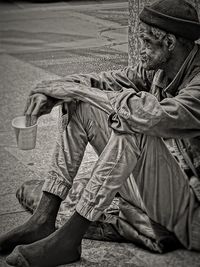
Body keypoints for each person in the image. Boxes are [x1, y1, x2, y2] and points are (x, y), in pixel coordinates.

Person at [1, 0, 200, 266]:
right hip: (158, 190)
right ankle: (43, 219)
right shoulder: (159, 69)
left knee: (132, 123)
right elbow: (104, 81)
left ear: (170, 43)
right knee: (82, 104)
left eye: (145, 42)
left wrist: (78, 91)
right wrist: (57, 88)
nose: (140, 50)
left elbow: (151, 116)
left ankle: (69, 238)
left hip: (192, 214)